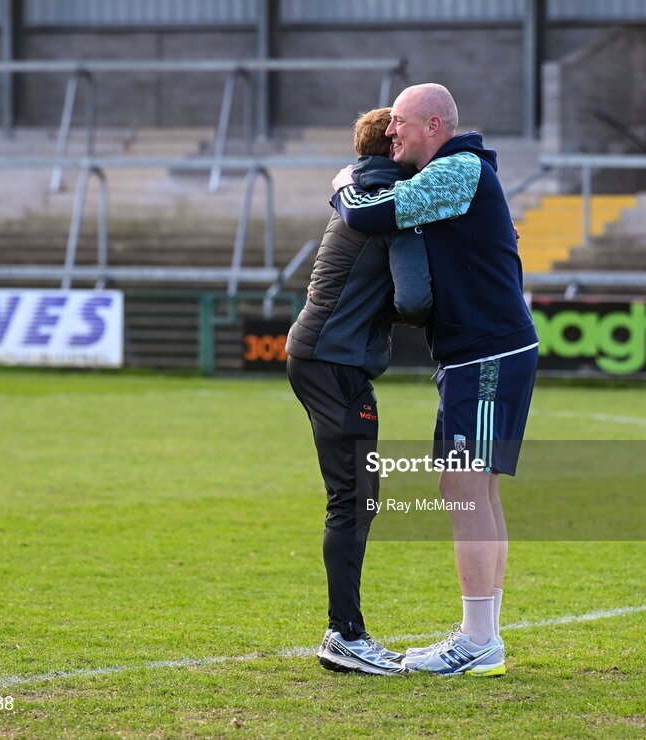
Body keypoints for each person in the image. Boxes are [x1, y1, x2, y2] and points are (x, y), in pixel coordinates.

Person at [331, 83, 538, 677]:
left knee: (463, 486)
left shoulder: (457, 169)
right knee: (477, 489)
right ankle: (483, 637)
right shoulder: (455, 173)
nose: (389, 131)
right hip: (483, 352)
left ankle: (477, 641)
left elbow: (366, 212)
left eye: (398, 122)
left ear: (432, 124)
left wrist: (344, 180)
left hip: (487, 354)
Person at [286, 107, 432, 676]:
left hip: (319, 355)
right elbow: (415, 299)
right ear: (395, 147)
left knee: (355, 498)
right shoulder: (392, 203)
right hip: (337, 363)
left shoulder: (363, 189)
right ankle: (344, 634)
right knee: (354, 500)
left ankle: (345, 631)